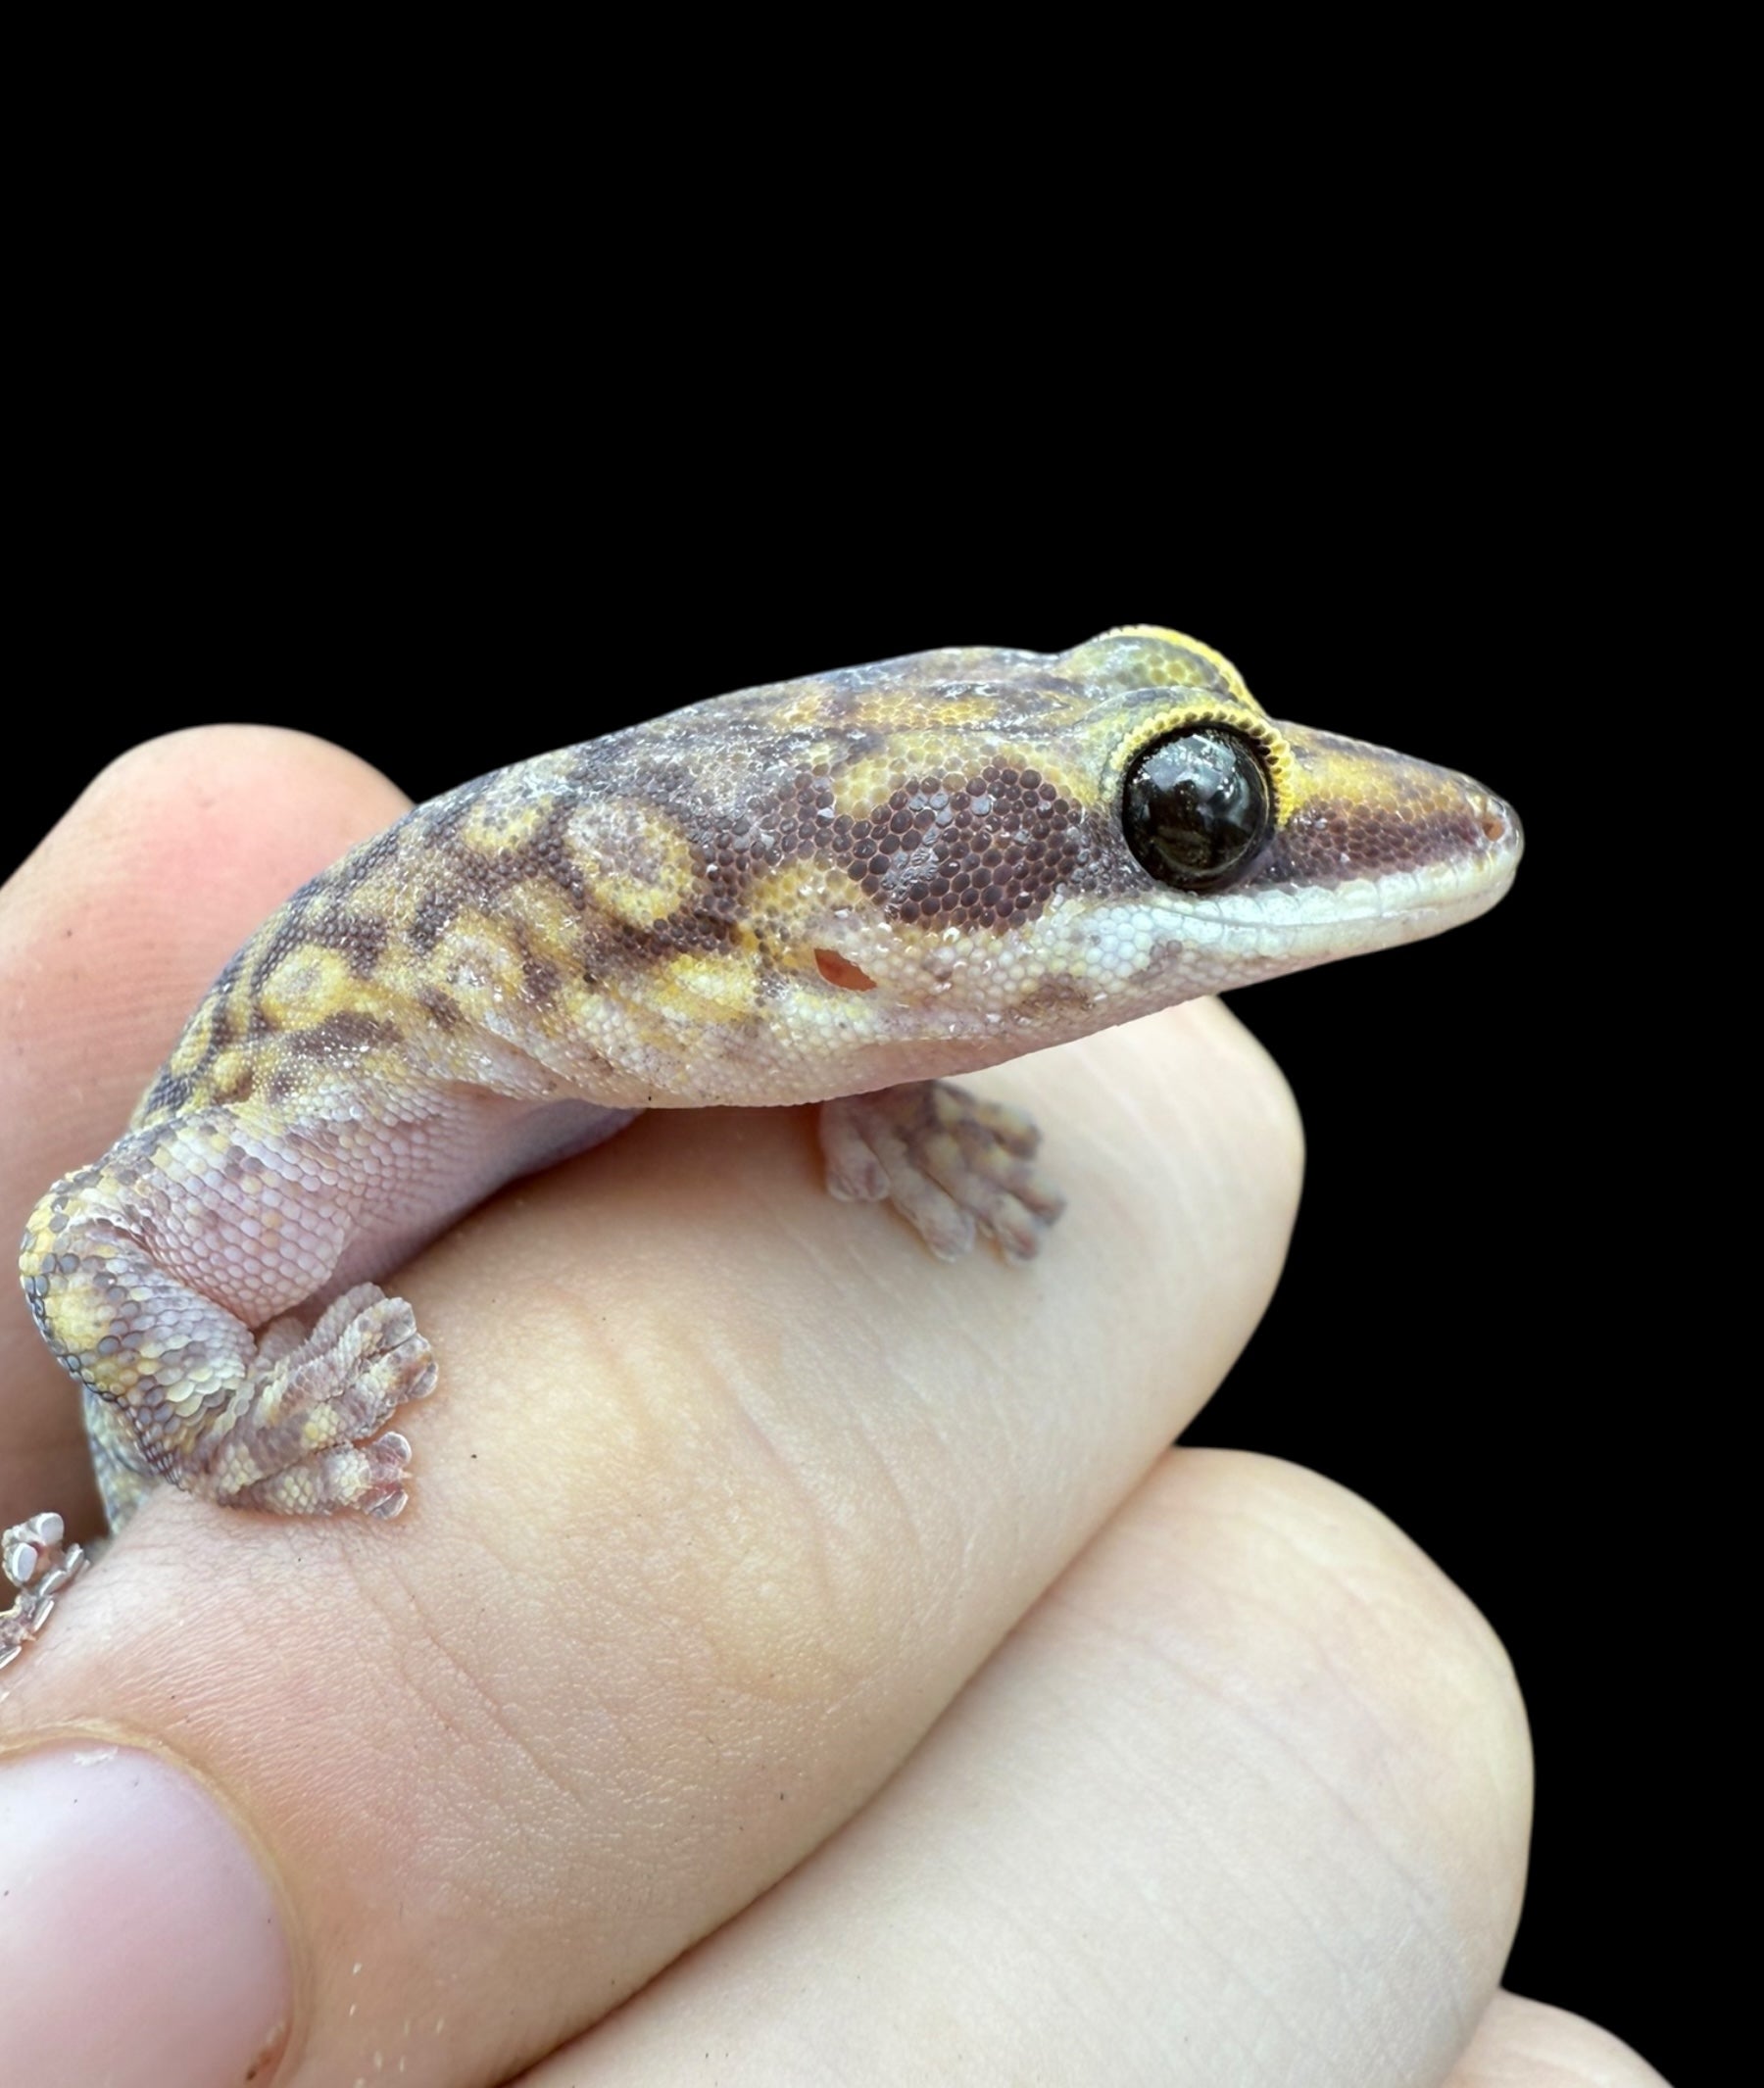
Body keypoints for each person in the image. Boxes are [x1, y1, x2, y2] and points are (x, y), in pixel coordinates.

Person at [0, 727, 1664, 2086]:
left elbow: (774, 995)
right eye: (1191, 816)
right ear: (837, 935)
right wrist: (233, 1427)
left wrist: (880, 1073)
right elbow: (80, 1254)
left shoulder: (692, 1010)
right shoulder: (343, 1076)